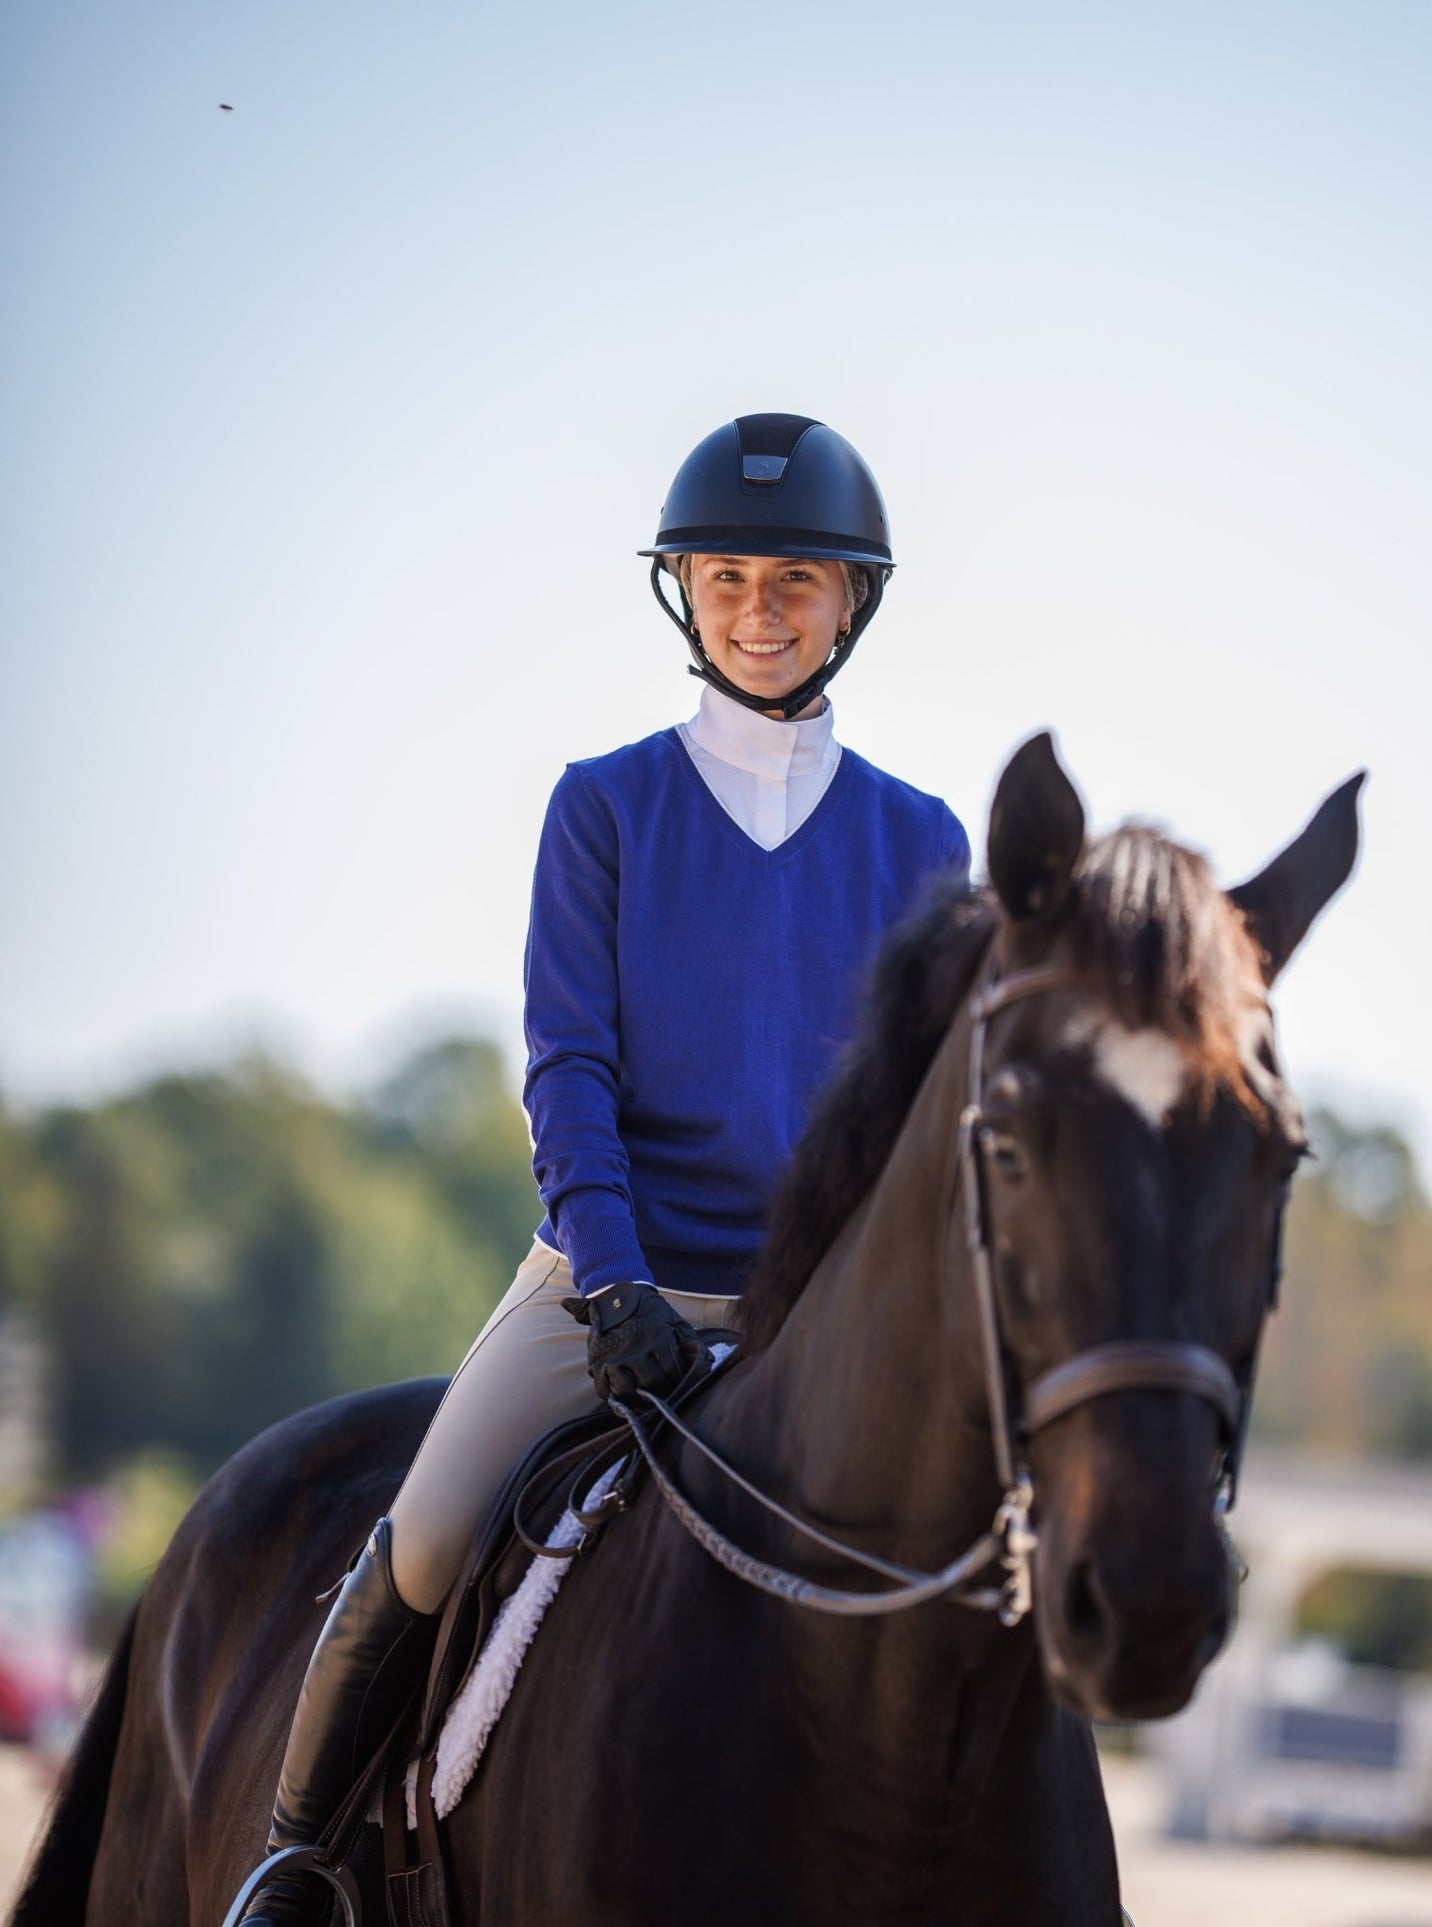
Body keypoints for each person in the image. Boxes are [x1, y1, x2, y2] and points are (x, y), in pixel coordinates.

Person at [237, 413, 970, 1923]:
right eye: (724, 578)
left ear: (853, 602)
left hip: (810, 1314)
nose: (757, 610)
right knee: (433, 1527)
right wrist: (616, 1275)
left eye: (793, 581)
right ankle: (298, 1859)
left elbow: (911, 1112)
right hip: (607, 1284)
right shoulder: (603, 806)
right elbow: (565, 1066)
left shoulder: (921, 841)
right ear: (682, 593)